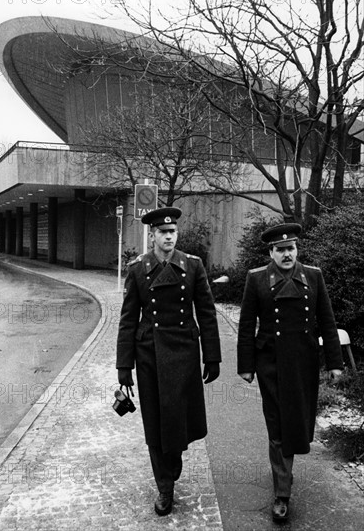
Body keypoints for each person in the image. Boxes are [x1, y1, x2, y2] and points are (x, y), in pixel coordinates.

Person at [116, 207, 221, 516]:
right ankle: (164, 486)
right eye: (163, 232)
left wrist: (212, 356)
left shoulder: (192, 266)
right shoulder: (138, 269)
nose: (169, 237)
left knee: (176, 421)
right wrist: (124, 368)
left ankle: (171, 463)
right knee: (155, 422)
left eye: (173, 232)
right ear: (153, 235)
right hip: (149, 354)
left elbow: (206, 312)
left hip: (184, 354)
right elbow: (127, 321)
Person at [237, 223, 343, 523]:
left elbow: (327, 320)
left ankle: (286, 472)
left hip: (304, 363)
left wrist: (334, 362)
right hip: (270, 364)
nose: (287, 254)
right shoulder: (257, 279)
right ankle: (282, 493)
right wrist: (246, 365)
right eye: (280, 250)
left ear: (297, 250)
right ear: (271, 252)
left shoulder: (313, 276)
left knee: (298, 421)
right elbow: (246, 325)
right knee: (278, 425)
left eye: (291, 249)